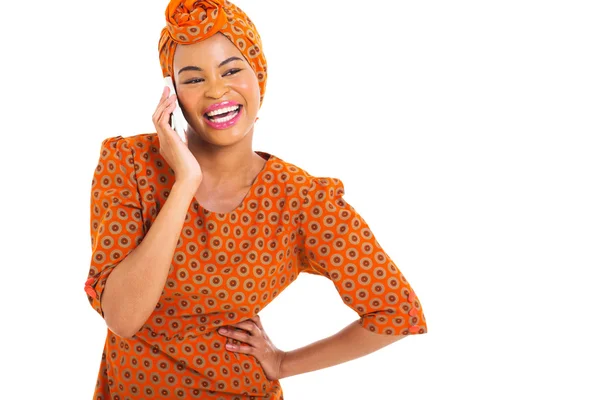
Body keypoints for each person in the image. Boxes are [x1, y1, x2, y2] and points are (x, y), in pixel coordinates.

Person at [83, 0, 428, 398]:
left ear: (258, 75)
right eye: (193, 79)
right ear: (173, 93)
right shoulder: (128, 164)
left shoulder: (302, 201)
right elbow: (123, 318)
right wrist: (185, 184)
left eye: (231, 70)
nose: (216, 89)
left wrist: (283, 363)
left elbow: (397, 313)